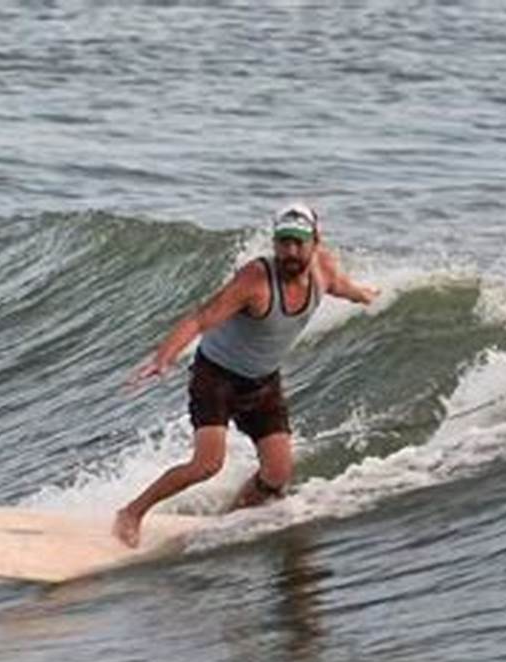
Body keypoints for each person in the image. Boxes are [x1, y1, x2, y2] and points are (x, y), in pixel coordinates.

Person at [112, 203, 380, 547]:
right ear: (274, 242)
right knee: (207, 464)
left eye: (299, 242)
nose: (291, 251)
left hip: (263, 382)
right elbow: (200, 318)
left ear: (316, 240)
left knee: (277, 474)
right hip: (217, 377)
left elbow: (339, 285)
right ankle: (131, 513)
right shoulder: (255, 280)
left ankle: (229, 521)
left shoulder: (323, 268)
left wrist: (363, 296)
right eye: (284, 242)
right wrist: (163, 358)